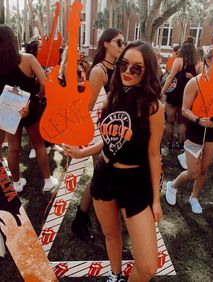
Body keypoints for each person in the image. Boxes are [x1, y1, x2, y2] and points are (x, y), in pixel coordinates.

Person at [63, 41, 164, 282]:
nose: (128, 72)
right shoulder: (113, 96)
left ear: (147, 71)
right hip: (105, 176)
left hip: (134, 182)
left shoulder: (153, 107)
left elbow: (153, 153)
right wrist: (83, 152)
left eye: (137, 68)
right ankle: (115, 274)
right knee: (111, 234)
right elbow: (110, 140)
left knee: (148, 267)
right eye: (124, 65)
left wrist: (157, 200)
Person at [61, 28, 126, 241]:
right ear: (106, 43)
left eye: (123, 43)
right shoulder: (100, 71)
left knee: (106, 176)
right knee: (101, 176)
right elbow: (87, 107)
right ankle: (81, 219)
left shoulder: (116, 67)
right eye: (119, 42)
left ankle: (95, 215)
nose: (122, 46)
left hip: (114, 130)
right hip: (98, 131)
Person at [165, 44, 213, 214]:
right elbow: (184, 110)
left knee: (203, 169)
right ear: (208, 61)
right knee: (194, 171)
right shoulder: (194, 83)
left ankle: (194, 197)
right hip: (195, 131)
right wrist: (198, 120)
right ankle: (172, 185)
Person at [0, 24, 58, 192]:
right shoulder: (28, 59)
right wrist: (38, 96)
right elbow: (44, 83)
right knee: (39, 144)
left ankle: (16, 183)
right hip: (30, 107)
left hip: (8, 109)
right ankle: (47, 181)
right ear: (14, 40)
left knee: (13, 148)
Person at [161, 43, 201, 150]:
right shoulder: (196, 64)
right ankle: (180, 144)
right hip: (186, 96)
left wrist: (161, 92)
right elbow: (198, 80)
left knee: (170, 121)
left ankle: (170, 144)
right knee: (182, 122)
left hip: (174, 95)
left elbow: (170, 78)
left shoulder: (179, 60)